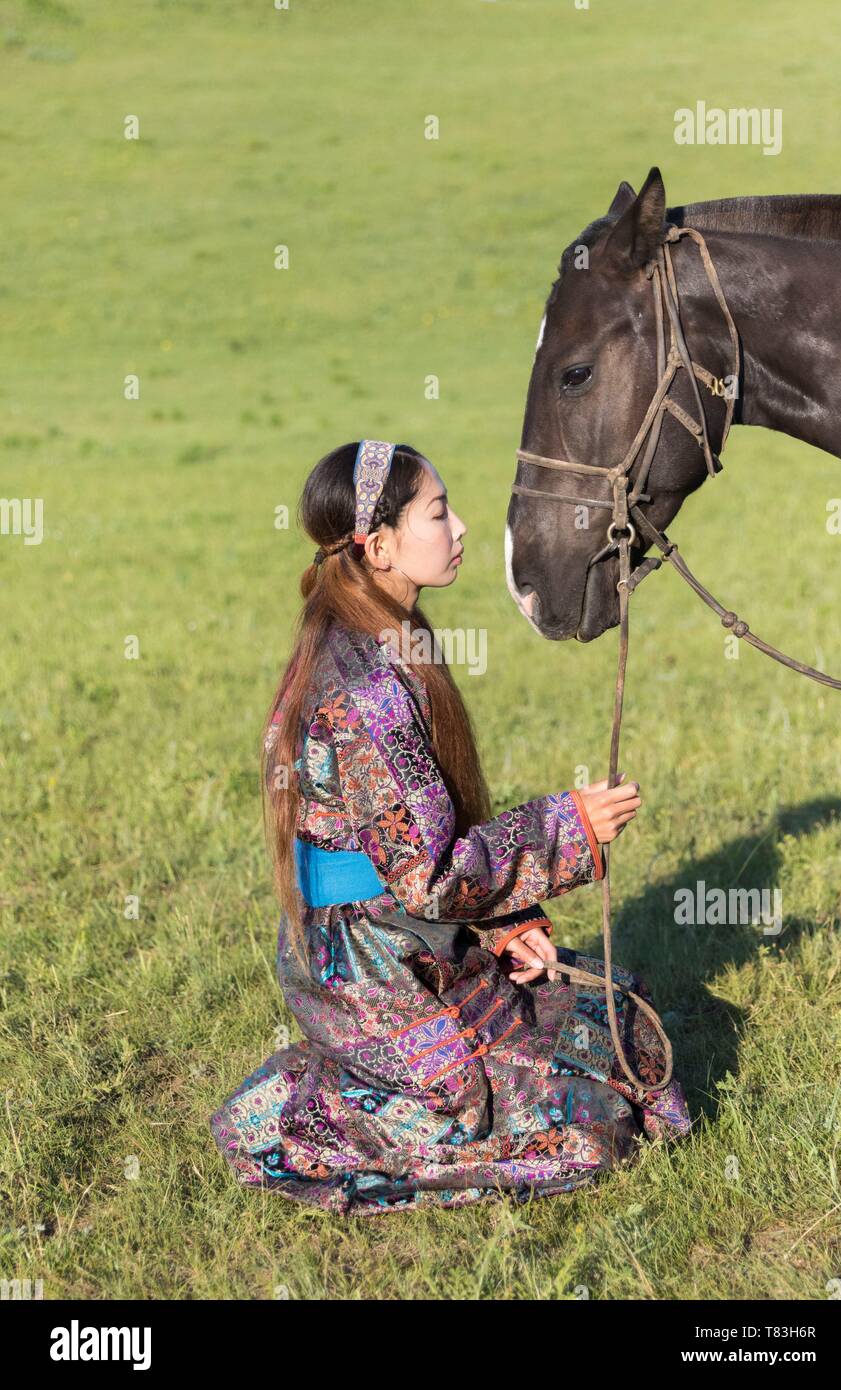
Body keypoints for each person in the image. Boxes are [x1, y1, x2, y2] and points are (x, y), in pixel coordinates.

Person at [209, 439, 691, 1216]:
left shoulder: (392, 638)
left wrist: (505, 924)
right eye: (439, 512)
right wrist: (569, 827)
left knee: (620, 1015)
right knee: (593, 1129)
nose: (461, 526)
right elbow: (427, 875)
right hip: (371, 969)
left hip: (407, 932)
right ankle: (309, 1110)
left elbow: (417, 851)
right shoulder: (364, 689)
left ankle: (375, 1077)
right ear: (380, 544)